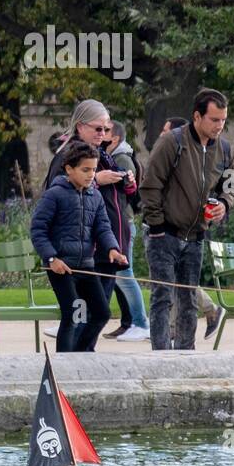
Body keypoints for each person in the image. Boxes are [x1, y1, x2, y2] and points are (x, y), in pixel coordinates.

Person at [140, 91, 234, 351]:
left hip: (195, 238)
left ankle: (186, 356)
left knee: (188, 300)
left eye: (223, 120)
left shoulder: (225, 149)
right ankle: (161, 357)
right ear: (197, 116)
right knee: (162, 298)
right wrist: (158, 227)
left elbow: (230, 187)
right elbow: (150, 186)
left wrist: (224, 204)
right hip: (164, 235)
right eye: (214, 120)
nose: (220, 126)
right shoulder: (172, 143)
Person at [40, 100, 135, 341]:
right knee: (80, 316)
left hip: (106, 249)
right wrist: (97, 181)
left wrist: (130, 184)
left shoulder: (102, 153)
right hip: (81, 253)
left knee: (98, 314)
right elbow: (57, 195)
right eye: (98, 129)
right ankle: (70, 362)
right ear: (80, 127)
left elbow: (108, 213)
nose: (103, 134)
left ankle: (83, 358)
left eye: (106, 129)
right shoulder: (69, 156)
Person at [33, 141, 128, 352]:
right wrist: (51, 258)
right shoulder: (54, 194)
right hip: (61, 267)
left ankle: (80, 353)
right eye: (85, 170)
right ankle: (64, 362)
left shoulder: (95, 196)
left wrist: (113, 248)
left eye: (94, 170)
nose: (91, 175)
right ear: (69, 169)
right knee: (74, 314)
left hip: (86, 265)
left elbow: (103, 227)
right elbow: (38, 231)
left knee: (102, 313)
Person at [158, 116, 224, 340]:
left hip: (186, 229)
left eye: (166, 131)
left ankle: (206, 312)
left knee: (177, 283)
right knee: (175, 283)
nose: (161, 135)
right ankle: (201, 315)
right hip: (172, 228)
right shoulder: (169, 153)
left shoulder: (190, 154)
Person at [101, 121, 150, 341]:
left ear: (116, 138)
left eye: (106, 131)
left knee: (124, 274)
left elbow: (127, 193)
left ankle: (140, 322)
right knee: (119, 275)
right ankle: (129, 322)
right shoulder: (112, 157)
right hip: (121, 222)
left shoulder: (121, 159)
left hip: (123, 223)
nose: (102, 135)